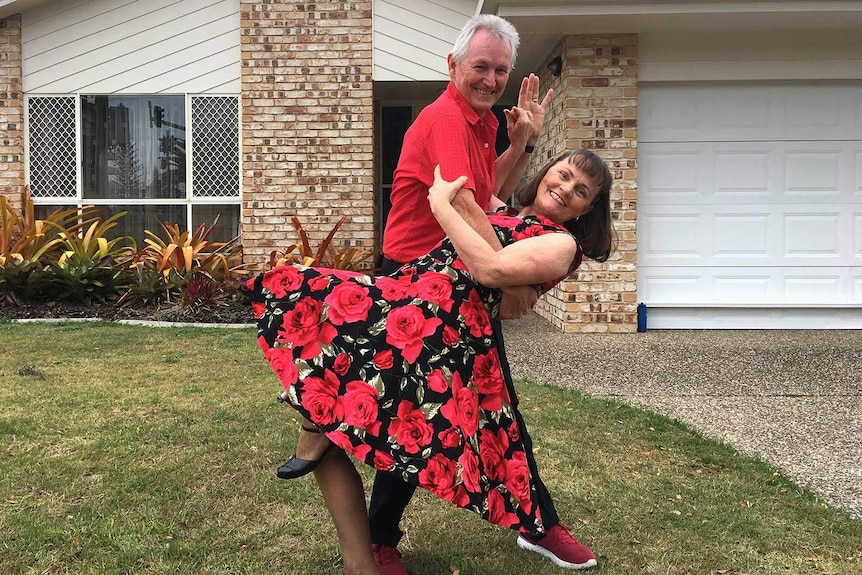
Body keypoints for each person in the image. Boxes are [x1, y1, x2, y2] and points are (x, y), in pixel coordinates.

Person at [247, 149, 615, 575]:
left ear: (588, 209)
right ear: (547, 172)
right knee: (321, 316)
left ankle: (372, 523)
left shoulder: (561, 242)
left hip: (446, 334)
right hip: (410, 304)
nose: (566, 188)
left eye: (581, 190)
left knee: (421, 432)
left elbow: (492, 269)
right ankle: (321, 434)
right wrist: (521, 145)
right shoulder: (505, 213)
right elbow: (481, 185)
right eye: (563, 174)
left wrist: (441, 204)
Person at [278, 14, 553, 574]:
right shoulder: (447, 119)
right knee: (415, 411)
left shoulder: (479, 124)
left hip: (450, 278)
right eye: (481, 67)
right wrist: (510, 278)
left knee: (425, 406)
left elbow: (488, 195)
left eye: (501, 69)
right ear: (452, 66)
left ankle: (326, 435)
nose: (491, 78)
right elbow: (464, 207)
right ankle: (329, 438)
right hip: (415, 280)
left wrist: (522, 143)